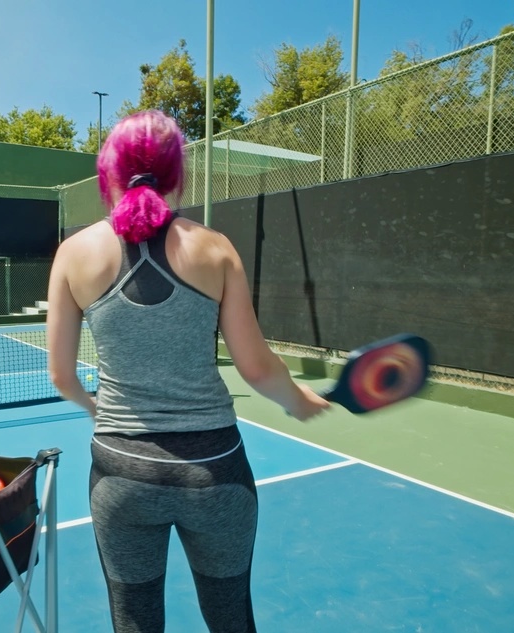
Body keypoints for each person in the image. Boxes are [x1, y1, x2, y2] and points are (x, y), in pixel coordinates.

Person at [46, 110, 329, 633]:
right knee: (230, 619)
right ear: (178, 175)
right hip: (216, 472)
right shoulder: (214, 248)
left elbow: (61, 375)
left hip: (120, 474)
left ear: (108, 172)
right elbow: (257, 367)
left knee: (135, 622)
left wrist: (96, 410)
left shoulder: (73, 254)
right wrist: (298, 400)